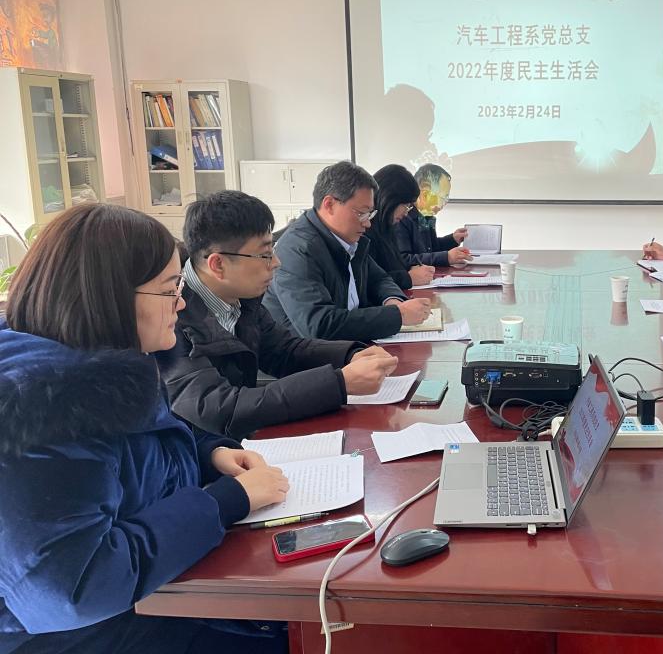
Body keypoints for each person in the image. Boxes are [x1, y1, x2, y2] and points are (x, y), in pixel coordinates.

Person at [0, 203, 290, 654]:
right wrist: (225, 501)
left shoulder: (104, 364)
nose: (182, 303)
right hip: (85, 636)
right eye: (171, 289)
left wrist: (209, 452)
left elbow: (147, 441)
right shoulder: (41, 405)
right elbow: (75, 588)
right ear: (109, 298)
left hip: (151, 599)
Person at [158, 191, 399, 439]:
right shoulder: (172, 318)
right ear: (218, 264)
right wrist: (338, 383)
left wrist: (350, 355)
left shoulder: (241, 297)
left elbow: (284, 351)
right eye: (264, 255)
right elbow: (222, 409)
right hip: (198, 454)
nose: (276, 262)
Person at [263, 161, 431, 341]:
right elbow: (320, 325)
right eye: (361, 213)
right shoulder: (297, 250)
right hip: (307, 354)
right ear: (329, 205)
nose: (367, 223)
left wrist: (393, 301)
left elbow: (379, 279)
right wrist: (398, 315)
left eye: (370, 214)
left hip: (347, 346)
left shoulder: (349, 240)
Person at [367, 164, 437, 290]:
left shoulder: (387, 228)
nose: (406, 213)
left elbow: (393, 266)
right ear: (389, 199)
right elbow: (368, 281)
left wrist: (411, 268)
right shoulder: (364, 230)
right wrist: (408, 277)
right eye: (405, 205)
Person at [395, 163, 471, 267]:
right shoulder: (401, 217)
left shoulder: (427, 217)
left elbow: (431, 249)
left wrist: (452, 239)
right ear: (425, 194)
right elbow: (403, 259)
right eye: (443, 197)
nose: (445, 203)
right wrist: (446, 257)